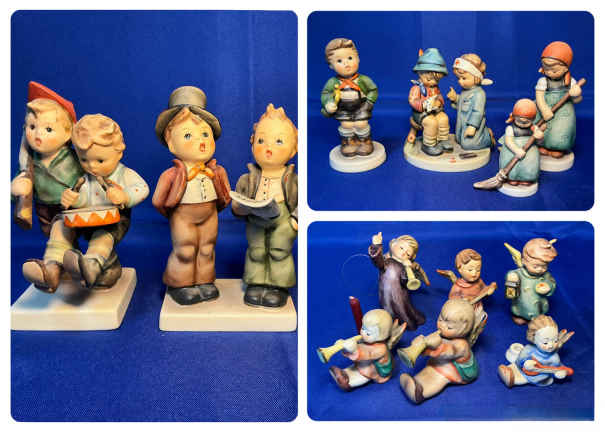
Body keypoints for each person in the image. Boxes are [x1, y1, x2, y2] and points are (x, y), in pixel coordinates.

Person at [153, 86, 231, 305]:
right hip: (183, 217)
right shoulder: (171, 175)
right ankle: (181, 283)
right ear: (171, 143)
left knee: (207, 248)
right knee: (185, 250)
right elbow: (158, 201)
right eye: (188, 135)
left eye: (205, 134)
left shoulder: (217, 171)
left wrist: (215, 208)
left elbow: (225, 196)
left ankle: (204, 281)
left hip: (210, 215)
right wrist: (174, 214)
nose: (201, 140)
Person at [60, 114, 149, 289]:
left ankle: (91, 265)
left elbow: (142, 187)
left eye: (100, 160)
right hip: (89, 221)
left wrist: (125, 196)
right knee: (64, 227)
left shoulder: (124, 174)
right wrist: (75, 199)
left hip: (116, 221)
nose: (92, 166)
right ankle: (71, 262)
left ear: (119, 153)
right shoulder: (86, 179)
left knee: (102, 238)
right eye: (84, 160)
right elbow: (84, 198)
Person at [14, 82, 84, 292]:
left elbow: (88, 179)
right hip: (43, 210)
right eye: (32, 126)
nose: (38, 135)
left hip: (69, 210)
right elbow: (18, 190)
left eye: (48, 129)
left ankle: (49, 272)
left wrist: (79, 195)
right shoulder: (29, 163)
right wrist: (15, 189)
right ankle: (74, 267)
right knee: (62, 242)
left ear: (68, 133)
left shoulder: (73, 160)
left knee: (59, 233)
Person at [232, 103, 298, 308]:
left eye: (279, 141)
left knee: (279, 251)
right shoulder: (248, 179)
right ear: (252, 143)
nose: (268, 148)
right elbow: (236, 203)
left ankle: (278, 286)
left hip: (283, 220)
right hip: (255, 219)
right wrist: (240, 208)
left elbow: (302, 203)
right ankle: (256, 283)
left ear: (294, 149)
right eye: (261, 140)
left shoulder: (293, 180)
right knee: (257, 251)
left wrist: (295, 221)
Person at [399, 299, 478, 404]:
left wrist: (431, 347)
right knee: (431, 366)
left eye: (449, 327)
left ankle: (421, 393)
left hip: (461, 370)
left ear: (464, 329)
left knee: (440, 375)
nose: (441, 326)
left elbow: (446, 353)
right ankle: (415, 381)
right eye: (440, 319)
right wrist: (419, 346)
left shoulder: (462, 345)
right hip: (445, 361)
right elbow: (437, 351)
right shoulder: (444, 334)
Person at [321, 38, 378, 157]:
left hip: (361, 107)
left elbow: (373, 90)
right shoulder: (333, 82)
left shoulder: (363, 80)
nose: (346, 64)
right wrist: (329, 103)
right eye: (339, 61)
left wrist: (369, 103)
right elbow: (326, 93)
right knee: (346, 125)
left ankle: (364, 142)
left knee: (361, 124)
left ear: (358, 59)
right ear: (331, 65)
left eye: (350, 58)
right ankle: (348, 143)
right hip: (343, 109)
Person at [329, 309, 405, 391]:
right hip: (366, 361)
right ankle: (344, 373)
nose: (363, 333)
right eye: (363, 328)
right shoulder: (368, 340)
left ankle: (349, 383)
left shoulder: (381, 349)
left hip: (375, 368)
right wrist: (343, 345)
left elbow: (367, 353)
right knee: (359, 365)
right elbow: (360, 345)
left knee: (365, 371)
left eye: (368, 333)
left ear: (382, 336)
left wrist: (353, 349)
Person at [368, 232, 429, 331]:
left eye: (408, 254)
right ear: (393, 244)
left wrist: (408, 270)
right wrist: (376, 245)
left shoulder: (404, 266)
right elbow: (377, 260)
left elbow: (405, 281)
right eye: (401, 248)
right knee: (391, 308)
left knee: (403, 306)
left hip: (400, 292)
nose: (404, 253)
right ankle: (393, 321)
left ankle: (409, 317)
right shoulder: (385, 261)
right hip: (387, 292)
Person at [437, 248, 497, 346]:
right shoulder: (458, 286)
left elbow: (484, 289)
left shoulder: (479, 282)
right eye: (470, 270)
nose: (474, 273)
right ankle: (458, 337)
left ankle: (472, 336)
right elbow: (452, 299)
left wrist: (491, 287)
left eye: (478, 270)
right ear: (460, 269)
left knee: (481, 319)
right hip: (463, 312)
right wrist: (463, 300)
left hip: (476, 309)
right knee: (459, 326)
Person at [535, 41, 583, 158]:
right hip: (545, 110)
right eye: (546, 69)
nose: (549, 73)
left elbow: (577, 101)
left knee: (561, 130)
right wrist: (544, 109)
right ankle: (542, 146)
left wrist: (576, 95)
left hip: (563, 113)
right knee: (541, 129)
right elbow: (539, 97)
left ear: (566, 68)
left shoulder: (571, 82)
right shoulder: (543, 81)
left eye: (554, 70)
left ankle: (558, 148)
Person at [498, 315, 574, 387]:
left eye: (555, 341)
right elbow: (519, 360)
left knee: (520, 380)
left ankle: (512, 380)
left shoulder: (554, 358)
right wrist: (525, 362)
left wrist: (559, 374)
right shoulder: (529, 349)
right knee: (513, 367)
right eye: (545, 342)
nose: (551, 345)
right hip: (521, 368)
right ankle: (507, 372)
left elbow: (556, 368)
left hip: (536, 376)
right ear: (533, 338)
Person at [505, 238, 557, 325]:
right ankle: (520, 316)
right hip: (521, 305)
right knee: (519, 310)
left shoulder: (545, 275)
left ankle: (537, 318)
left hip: (539, 306)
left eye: (544, 266)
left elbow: (552, 282)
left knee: (539, 314)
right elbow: (510, 294)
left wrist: (548, 287)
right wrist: (512, 282)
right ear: (523, 261)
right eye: (535, 266)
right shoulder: (517, 274)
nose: (540, 269)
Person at [447, 53, 493, 150]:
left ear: (476, 77)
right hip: (462, 123)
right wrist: (455, 98)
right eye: (458, 78)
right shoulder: (465, 91)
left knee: (468, 145)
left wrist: (472, 127)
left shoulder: (479, 94)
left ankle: (487, 137)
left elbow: (478, 112)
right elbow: (463, 104)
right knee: (459, 139)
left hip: (472, 125)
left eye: (464, 78)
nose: (460, 81)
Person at [409, 48, 450, 156]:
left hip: (434, 111)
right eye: (429, 79)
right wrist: (424, 104)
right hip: (420, 114)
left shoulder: (435, 88)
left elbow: (439, 96)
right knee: (431, 122)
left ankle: (442, 139)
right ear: (420, 74)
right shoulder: (416, 88)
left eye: (437, 80)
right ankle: (429, 144)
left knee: (443, 118)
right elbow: (413, 101)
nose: (433, 82)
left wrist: (439, 102)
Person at [498, 99, 544, 187]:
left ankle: (527, 178)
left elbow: (540, 141)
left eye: (527, 122)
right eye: (520, 121)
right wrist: (516, 150)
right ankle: (512, 177)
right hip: (513, 151)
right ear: (514, 117)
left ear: (533, 119)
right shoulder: (510, 129)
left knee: (529, 164)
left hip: (530, 151)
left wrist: (540, 136)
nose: (523, 123)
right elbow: (508, 141)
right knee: (511, 165)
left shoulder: (534, 128)